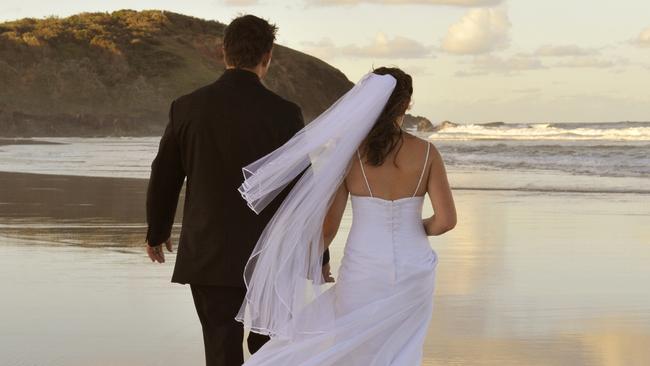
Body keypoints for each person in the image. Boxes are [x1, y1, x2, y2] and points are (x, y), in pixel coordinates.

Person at [236, 67, 456, 365]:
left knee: (354, 351)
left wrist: (313, 262)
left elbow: (329, 226)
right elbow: (446, 220)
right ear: (406, 105)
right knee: (404, 349)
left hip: (363, 269)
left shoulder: (350, 154)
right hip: (414, 268)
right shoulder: (428, 153)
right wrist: (416, 227)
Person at [144, 14, 330, 366]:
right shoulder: (284, 113)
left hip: (209, 253)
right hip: (269, 257)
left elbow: (165, 173)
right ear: (268, 56)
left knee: (220, 348)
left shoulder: (187, 107)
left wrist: (157, 231)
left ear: (223, 52)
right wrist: (317, 256)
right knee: (269, 349)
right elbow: (303, 190)